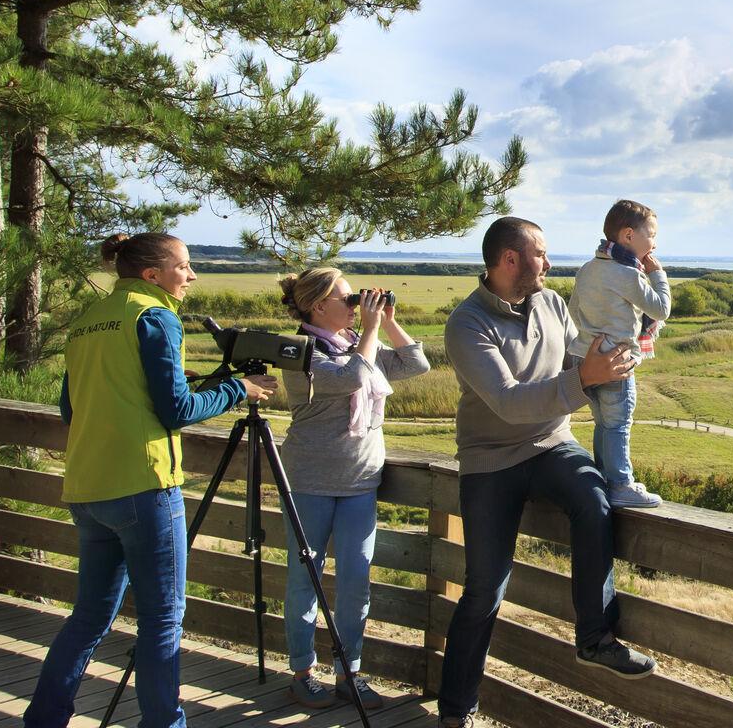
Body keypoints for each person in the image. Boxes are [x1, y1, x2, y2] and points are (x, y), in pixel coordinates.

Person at [26, 234, 278, 728]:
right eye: (184, 267)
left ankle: (44, 720)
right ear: (152, 275)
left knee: (88, 618)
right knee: (162, 621)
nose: (192, 276)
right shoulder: (155, 315)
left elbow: (69, 409)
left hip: (88, 485)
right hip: (144, 484)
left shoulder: (86, 322)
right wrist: (237, 388)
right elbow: (176, 409)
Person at [436, 217, 657, 728]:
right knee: (485, 588)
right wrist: (584, 379)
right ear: (509, 259)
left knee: (595, 500)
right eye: (541, 254)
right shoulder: (466, 324)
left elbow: (579, 359)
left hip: (553, 442)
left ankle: (595, 638)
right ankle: (455, 712)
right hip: (491, 458)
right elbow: (510, 403)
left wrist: (624, 345)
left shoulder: (553, 305)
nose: (549, 263)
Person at [275, 268, 432, 710]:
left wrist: (388, 319)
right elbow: (352, 379)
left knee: (355, 582)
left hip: (361, 481)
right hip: (311, 482)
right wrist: (369, 329)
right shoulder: (301, 352)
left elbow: (416, 363)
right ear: (318, 306)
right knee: (305, 580)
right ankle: (303, 672)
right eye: (348, 300)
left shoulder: (354, 344)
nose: (355, 306)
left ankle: (349, 671)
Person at [568, 200, 671, 508]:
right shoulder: (629, 275)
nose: (654, 242)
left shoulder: (588, 269)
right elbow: (660, 308)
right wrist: (658, 275)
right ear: (629, 235)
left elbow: (573, 310)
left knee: (603, 422)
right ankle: (621, 483)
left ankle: (603, 475)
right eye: (651, 234)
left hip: (585, 358)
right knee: (618, 423)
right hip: (616, 361)